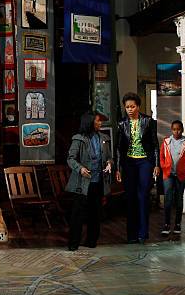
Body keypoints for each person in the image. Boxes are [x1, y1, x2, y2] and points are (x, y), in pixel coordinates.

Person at [115, 92, 160, 244]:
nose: (130, 109)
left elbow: (155, 145)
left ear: (138, 106)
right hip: (129, 163)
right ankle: (131, 235)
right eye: (127, 107)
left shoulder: (148, 121)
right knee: (130, 198)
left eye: (133, 106)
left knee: (143, 196)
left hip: (145, 162)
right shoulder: (121, 123)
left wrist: (156, 165)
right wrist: (117, 168)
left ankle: (143, 233)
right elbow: (118, 148)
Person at [66, 111, 113, 251]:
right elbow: (70, 158)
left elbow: (109, 157)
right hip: (82, 184)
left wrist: (110, 163)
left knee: (95, 214)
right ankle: (73, 244)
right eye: (97, 121)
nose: (100, 123)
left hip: (98, 182)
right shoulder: (79, 139)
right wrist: (80, 169)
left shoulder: (104, 138)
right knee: (77, 215)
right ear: (90, 122)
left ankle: (91, 242)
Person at [160, 120, 185, 236]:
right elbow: (161, 156)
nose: (176, 131)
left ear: (182, 130)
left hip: (180, 175)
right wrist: (163, 166)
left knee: (178, 199)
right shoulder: (166, 142)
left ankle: (177, 224)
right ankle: (166, 224)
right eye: (174, 129)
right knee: (168, 198)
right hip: (168, 174)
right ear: (171, 130)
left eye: (179, 129)